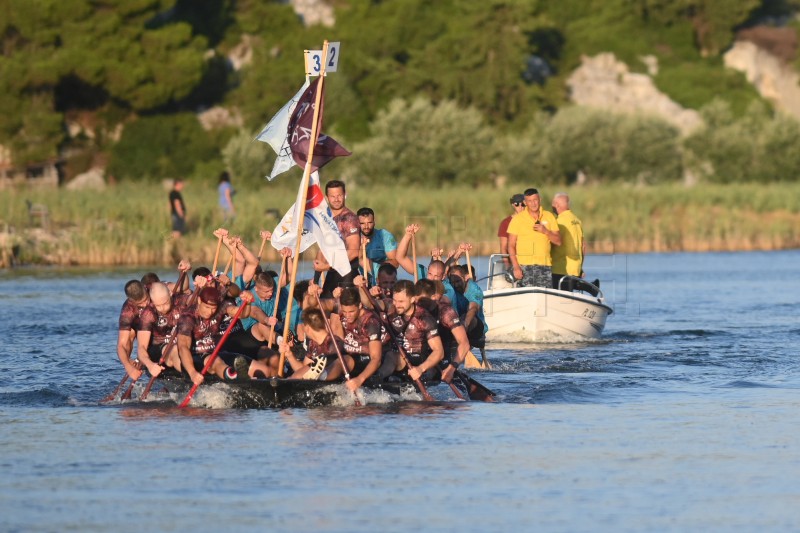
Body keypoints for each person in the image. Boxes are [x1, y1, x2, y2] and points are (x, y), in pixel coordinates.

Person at [176, 284, 253, 385]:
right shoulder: (188, 317)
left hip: (215, 352)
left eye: (213, 308)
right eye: (207, 307)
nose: (210, 312)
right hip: (194, 358)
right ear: (199, 301)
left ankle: (253, 380)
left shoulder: (221, 306)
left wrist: (247, 303)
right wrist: (193, 373)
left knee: (254, 366)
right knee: (215, 361)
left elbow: (242, 314)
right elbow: (183, 347)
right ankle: (234, 377)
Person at [335, 286, 395, 392]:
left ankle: (376, 379)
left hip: (370, 362)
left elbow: (376, 359)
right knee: (340, 359)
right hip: (353, 357)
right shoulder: (341, 314)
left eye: (351, 312)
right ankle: (321, 378)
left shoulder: (370, 322)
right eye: (345, 311)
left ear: (360, 305)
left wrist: (359, 379)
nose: (347, 315)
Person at [383, 280, 444, 382]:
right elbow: (369, 303)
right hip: (394, 359)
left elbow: (439, 352)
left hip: (417, 361)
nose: (396, 305)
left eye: (401, 302)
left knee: (391, 356)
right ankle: (377, 378)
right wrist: (361, 289)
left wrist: (420, 369)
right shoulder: (390, 307)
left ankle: (379, 377)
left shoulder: (424, 318)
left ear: (412, 299)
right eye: (395, 300)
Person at [414, 279, 469, 384]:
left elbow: (464, 344)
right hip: (422, 356)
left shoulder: (446, 312)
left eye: (422, 301)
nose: (418, 305)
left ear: (434, 297)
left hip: (443, 359)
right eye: (416, 301)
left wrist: (452, 368)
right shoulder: (415, 309)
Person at [507, 188, 561, 287]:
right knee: (525, 299)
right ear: (525, 202)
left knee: (545, 300)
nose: (533, 203)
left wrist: (545, 231)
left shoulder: (549, 216)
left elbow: (558, 242)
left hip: (544, 267)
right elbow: (510, 245)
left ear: (540, 199)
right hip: (524, 268)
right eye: (530, 201)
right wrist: (516, 267)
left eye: (535, 200)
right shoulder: (517, 219)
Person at [314, 179, 361, 295]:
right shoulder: (325, 219)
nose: (336, 199)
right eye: (332, 196)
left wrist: (328, 266)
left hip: (348, 274)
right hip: (331, 272)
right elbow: (322, 250)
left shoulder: (349, 219)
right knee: (324, 306)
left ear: (345, 195)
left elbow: (354, 251)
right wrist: (315, 281)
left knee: (340, 311)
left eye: (339, 195)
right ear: (326, 198)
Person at [115, 280, 152, 381]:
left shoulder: (153, 288)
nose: (145, 305)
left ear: (145, 289)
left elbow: (180, 287)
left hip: (159, 326)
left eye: (146, 300)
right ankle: (132, 362)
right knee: (129, 334)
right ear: (131, 301)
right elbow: (121, 345)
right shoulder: (127, 310)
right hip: (140, 330)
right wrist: (128, 366)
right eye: (140, 304)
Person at [551, 192, 585, 291]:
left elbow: (555, 241)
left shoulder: (559, 221)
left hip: (561, 268)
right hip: (575, 268)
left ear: (556, 205)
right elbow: (583, 246)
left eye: (552, 204)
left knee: (559, 300)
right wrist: (580, 267)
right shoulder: (577, 220)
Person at [357, 207, 398, 280]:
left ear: (374, 222)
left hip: (384, 279)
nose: (366, 227)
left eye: (369, 223)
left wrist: (378, 269)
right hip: (361, 280)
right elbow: (359, 259)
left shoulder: (385, 236)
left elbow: (395, 262)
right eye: (362, 223)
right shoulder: (353, 238)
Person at [498, 193, 525, 268]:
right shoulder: (505, 222)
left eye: (523, 204)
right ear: (513, 205)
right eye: (517, 204)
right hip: (513, 263)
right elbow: (503, 247)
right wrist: (507, 265)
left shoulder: (530, 221)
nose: (520, 207)